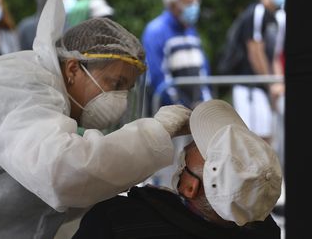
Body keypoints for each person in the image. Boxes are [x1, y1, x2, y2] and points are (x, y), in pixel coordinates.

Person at [0, 0, 192, 238]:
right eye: (115, 84)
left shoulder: (41, 86)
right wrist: (157, 132)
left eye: (128, 88)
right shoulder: (28, 87)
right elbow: (65, 174)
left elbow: (53, 195)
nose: (120, 99)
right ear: (73, 69)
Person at [72, 99, 283, 239]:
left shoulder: (115, 219)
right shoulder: (266, 231)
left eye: (198, 146)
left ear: (190, 187)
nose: (189, 144)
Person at [220, 0, 286, 144]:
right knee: (249, 139)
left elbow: (274, 56)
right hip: (248, 85)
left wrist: (278, 82)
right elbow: (255, 51)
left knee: (266, 137)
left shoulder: (278, 17)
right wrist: (270, 84)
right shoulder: (257, 11)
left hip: (262, 86)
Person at [141, 0, 212, 117]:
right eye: (189, 3)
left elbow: (203, 73)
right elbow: (159, 79)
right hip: (168, 116)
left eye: (197, 2)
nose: (195, 7)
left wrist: (206, 106)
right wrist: (183, 111)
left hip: (195, 115)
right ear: (173, 4)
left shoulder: (191, 31)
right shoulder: (156, 31)